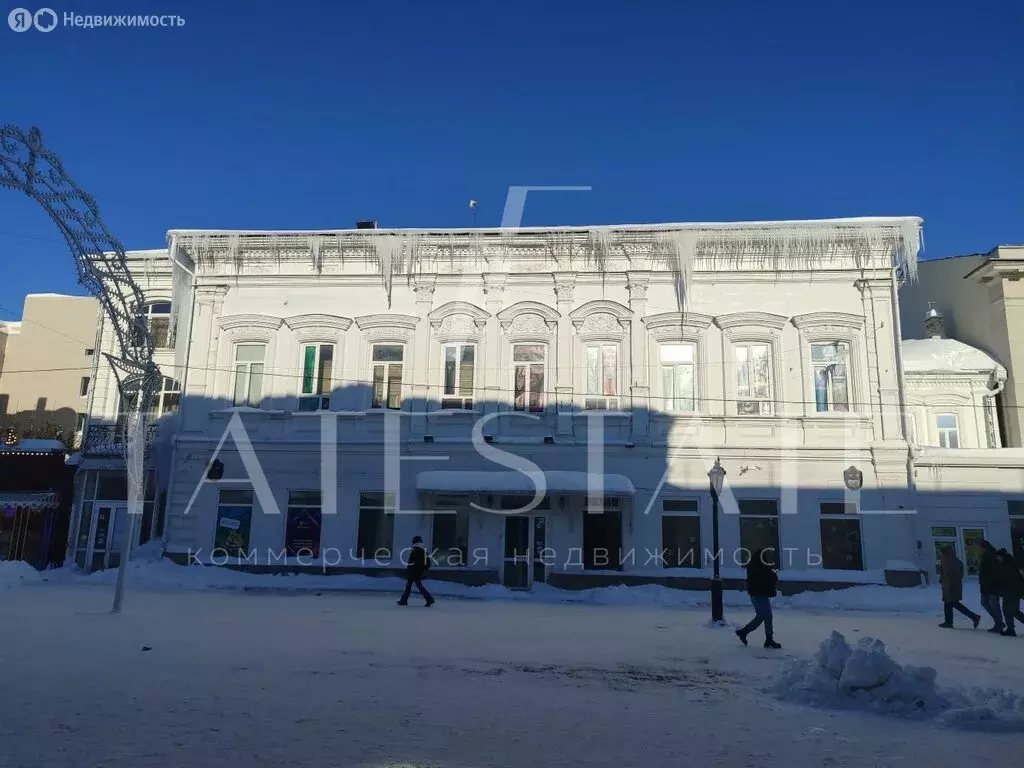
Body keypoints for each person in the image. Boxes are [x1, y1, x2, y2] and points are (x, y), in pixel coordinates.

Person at [735, 548, 781, 649]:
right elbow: (766, 578)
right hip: (759, 594)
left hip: (756, 594)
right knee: (767, 616)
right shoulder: (759, 567)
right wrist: (772, 574)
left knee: (761, 616)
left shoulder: (755, 566)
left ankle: (744, 632)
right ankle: (768, 639)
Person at [938, 545, 980, 629]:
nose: (941, 555)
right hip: (953, 586)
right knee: (950, 604)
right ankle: (949, 622)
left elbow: (947, 573)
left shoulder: (947, 561)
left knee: (952, 603)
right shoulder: (955, 561)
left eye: (941, 553)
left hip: (950, 586)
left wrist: (943, 580)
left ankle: (973, 617)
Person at [397, 535, 435, 607]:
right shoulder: (423, 550)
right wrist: (423, 569)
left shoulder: (415, 550)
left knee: (411, 586)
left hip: (414, 571)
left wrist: (410, 569)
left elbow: (411, 562)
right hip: (419, 571)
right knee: (415, 585)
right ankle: (429, 599)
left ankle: (429, 599)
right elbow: (428, 563)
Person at [996, 548, 1024, 637]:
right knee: (1010, 611)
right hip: (1010, 591)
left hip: (1012, 592)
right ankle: (1010, 629)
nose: (997, 559)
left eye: (998, 557)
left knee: (1012, 611)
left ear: (1002, 556)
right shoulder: (1007, 563)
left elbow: (1013, 579)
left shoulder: (1008, 564)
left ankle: (1010, 629)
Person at [978, 540, 1005, 633]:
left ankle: (999, 624)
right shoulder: (989, 555)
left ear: (983, 547)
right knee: (985, 602)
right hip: (988, 584)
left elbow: (991, 572)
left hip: (992, 585)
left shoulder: (989, 555)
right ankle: (999, 622)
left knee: (993, 604)